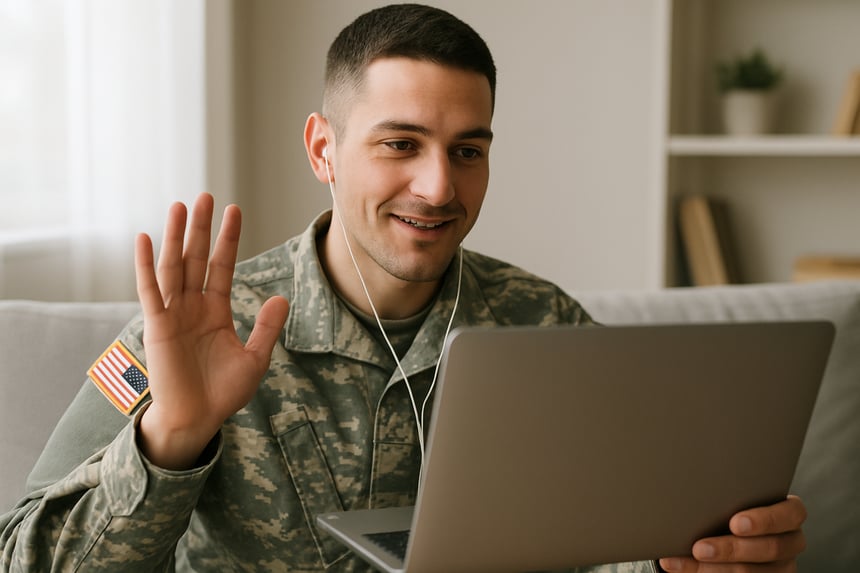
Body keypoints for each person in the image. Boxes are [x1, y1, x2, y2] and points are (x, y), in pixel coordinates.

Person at [1, 4, 807, 572]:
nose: (436, 186)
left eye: (467, 150)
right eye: (400, 143)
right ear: (323, 148)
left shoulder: (546, 325)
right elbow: (22, 558)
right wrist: (169, 440)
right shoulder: (191, 330)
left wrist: (699, 555)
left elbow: (611, 547)